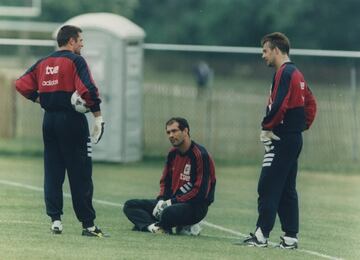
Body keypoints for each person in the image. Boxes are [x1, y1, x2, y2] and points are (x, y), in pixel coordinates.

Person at [15, 25, 107, 237]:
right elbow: (89, 90)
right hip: (72, 121)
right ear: (71, 41)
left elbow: (21, 84)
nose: (82, 44)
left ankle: (55, 220)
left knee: (53, 171)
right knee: (81, 172)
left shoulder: (43, 62)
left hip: (49, 121)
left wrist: (42, 99)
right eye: (81, 40)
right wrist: (98, 117)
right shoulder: (76, 61)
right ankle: (89, 225)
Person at [240, 32, 317, 249]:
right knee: (286, 188)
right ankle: (290, 238)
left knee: (267, 185)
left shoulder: (284, 72)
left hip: (281, 138)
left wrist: (267, 128)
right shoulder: (296, 72)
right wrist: (300, 127)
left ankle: (261, 235)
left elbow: (280, 104)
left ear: (276, 50)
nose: (263, 55)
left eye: (265, 50)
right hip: (292, 138)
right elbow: (311, 104)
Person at [123, 117, 216, 235]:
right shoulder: (172, 154)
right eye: (168, 132)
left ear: (186, 131)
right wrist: (161, 200)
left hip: (195, 206)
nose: (171, 135)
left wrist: (171, 202)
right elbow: (165, 181)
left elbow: (200, 193)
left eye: (174, 131)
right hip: (171, 202)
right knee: (130, 205)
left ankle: (185, 224)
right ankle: (154, 227)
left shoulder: (200, 155)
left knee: (167, 212)